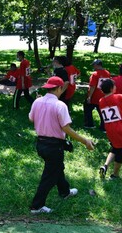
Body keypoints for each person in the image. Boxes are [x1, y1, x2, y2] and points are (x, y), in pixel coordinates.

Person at [29, 77, 94, 214]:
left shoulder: (37, 102)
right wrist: (85, 141)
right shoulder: (60, 105)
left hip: (41, 144)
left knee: (57, 168)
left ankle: (64, 191)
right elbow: (67, 129)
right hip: (54, 146)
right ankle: (37, 206)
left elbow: (31, 118)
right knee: (49, 176)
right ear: (59, 88)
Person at [84, 59, 111, 131]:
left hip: (95, 96)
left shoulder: (95, 74)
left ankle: (89, 124)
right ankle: (104, 127)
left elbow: (92, 86)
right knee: (102, 112)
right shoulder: (107, 73)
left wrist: (89, 96)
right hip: (103, 96)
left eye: (94, 65)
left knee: (87, 108)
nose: (93, 66)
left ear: (98, 65)